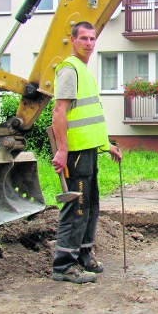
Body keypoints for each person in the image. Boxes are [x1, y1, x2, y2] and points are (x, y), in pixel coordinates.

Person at [51, 21, 122, 284]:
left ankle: (83, 256)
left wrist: (107, 146)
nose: (89, 43)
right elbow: (59, 112)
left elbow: (89, 118)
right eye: (84, 38)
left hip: (89, 151)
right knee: (77, 208)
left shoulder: (84, 71)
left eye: (92, 39)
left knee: (90, 206)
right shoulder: (70, 69)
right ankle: (63, 266)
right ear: (72, 40)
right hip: (76, 153)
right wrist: (62, 150)